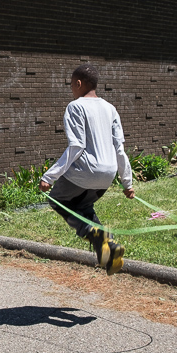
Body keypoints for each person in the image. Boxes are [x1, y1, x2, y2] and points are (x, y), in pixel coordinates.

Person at [38, 64, 135, 275]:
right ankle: (109, 250)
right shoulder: (110, 108)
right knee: (83, 206)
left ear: (79, 83)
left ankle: (101, 240)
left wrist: (50, 176)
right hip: (107, 175)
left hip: (84, 172)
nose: (71, 88)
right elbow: (119, 148)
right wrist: (127, 182)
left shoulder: (76, 106)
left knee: (58, 199)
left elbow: (76, 146)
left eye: (72, 84)